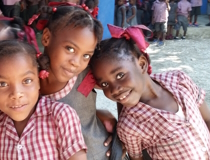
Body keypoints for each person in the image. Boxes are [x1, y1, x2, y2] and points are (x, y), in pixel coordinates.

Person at [90, 24, 210, 160]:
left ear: (142, 64)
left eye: (119, 75)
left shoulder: (179, 80)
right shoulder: (130, 125)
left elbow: (206, 119)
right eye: (105, 84)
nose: (114, 89)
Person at [29, 4, 121, 159]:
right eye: (70, 49)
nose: (76, 62)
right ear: (46, 38)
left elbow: (125, 86)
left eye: (86, 55)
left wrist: (121, 132)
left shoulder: (85, 76)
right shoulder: (26, 80)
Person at [0, 40, 87, 159]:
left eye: (27, 81)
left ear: (39, 81)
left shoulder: (61, 116)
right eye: (3, 84)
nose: (16, 94)